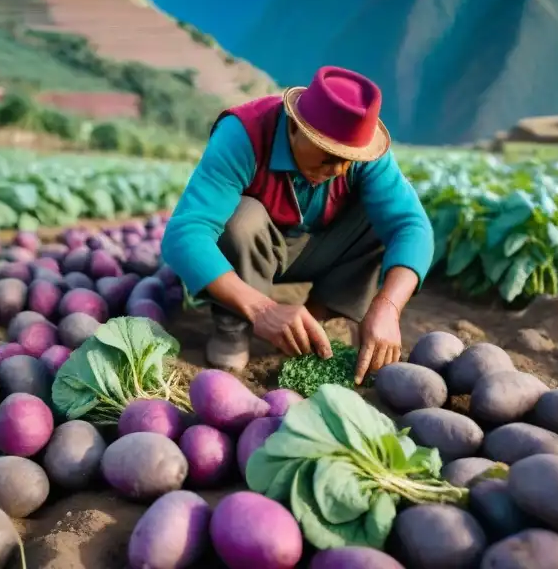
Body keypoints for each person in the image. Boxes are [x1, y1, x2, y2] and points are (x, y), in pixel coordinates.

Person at [160, 66, 433, 384]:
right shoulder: (244, 134)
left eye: (348, 159)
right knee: (239, 219)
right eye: (328, 156)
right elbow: (185, 234)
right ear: (293, 127)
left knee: (385, 223)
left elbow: (412, 226)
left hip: (324, 248)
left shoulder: (363, 155)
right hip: (255, 248)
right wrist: (261, 308)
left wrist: (388, 306)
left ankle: (317, 318)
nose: (338, 169)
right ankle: (233, 325)